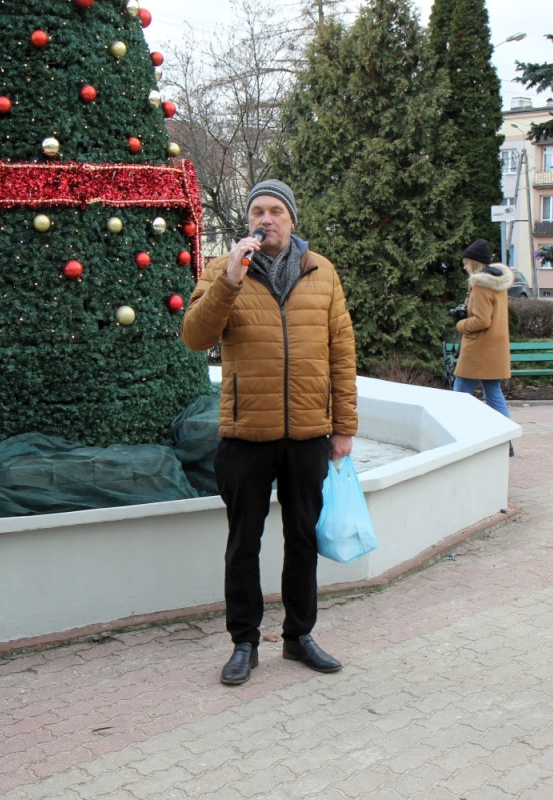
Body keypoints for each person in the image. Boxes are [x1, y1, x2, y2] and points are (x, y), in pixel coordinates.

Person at [180, 179, 358, 686]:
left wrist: (344, 426)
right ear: (248, 220)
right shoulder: (223, 269)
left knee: (302, 539)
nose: (266, 219)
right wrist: (229, 281)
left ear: (291, 219)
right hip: (245, 434)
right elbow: (195, 336)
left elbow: (342, 352)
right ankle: (244, 641)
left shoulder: (321, 271)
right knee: (244, 543)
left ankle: (299, 636)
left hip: (307, 432)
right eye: (258, 210)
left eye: (276, 210)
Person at [451, 239, 515, 452]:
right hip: (494, 350)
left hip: (478, 350)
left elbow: (481, 320)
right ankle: (506, 442)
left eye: (466, 263)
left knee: (460, 396)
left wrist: (461, 324)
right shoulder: (498, 284)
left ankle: (454, 440)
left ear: (475, 263)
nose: (464, 267)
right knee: (493, 394)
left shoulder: (480, 286)